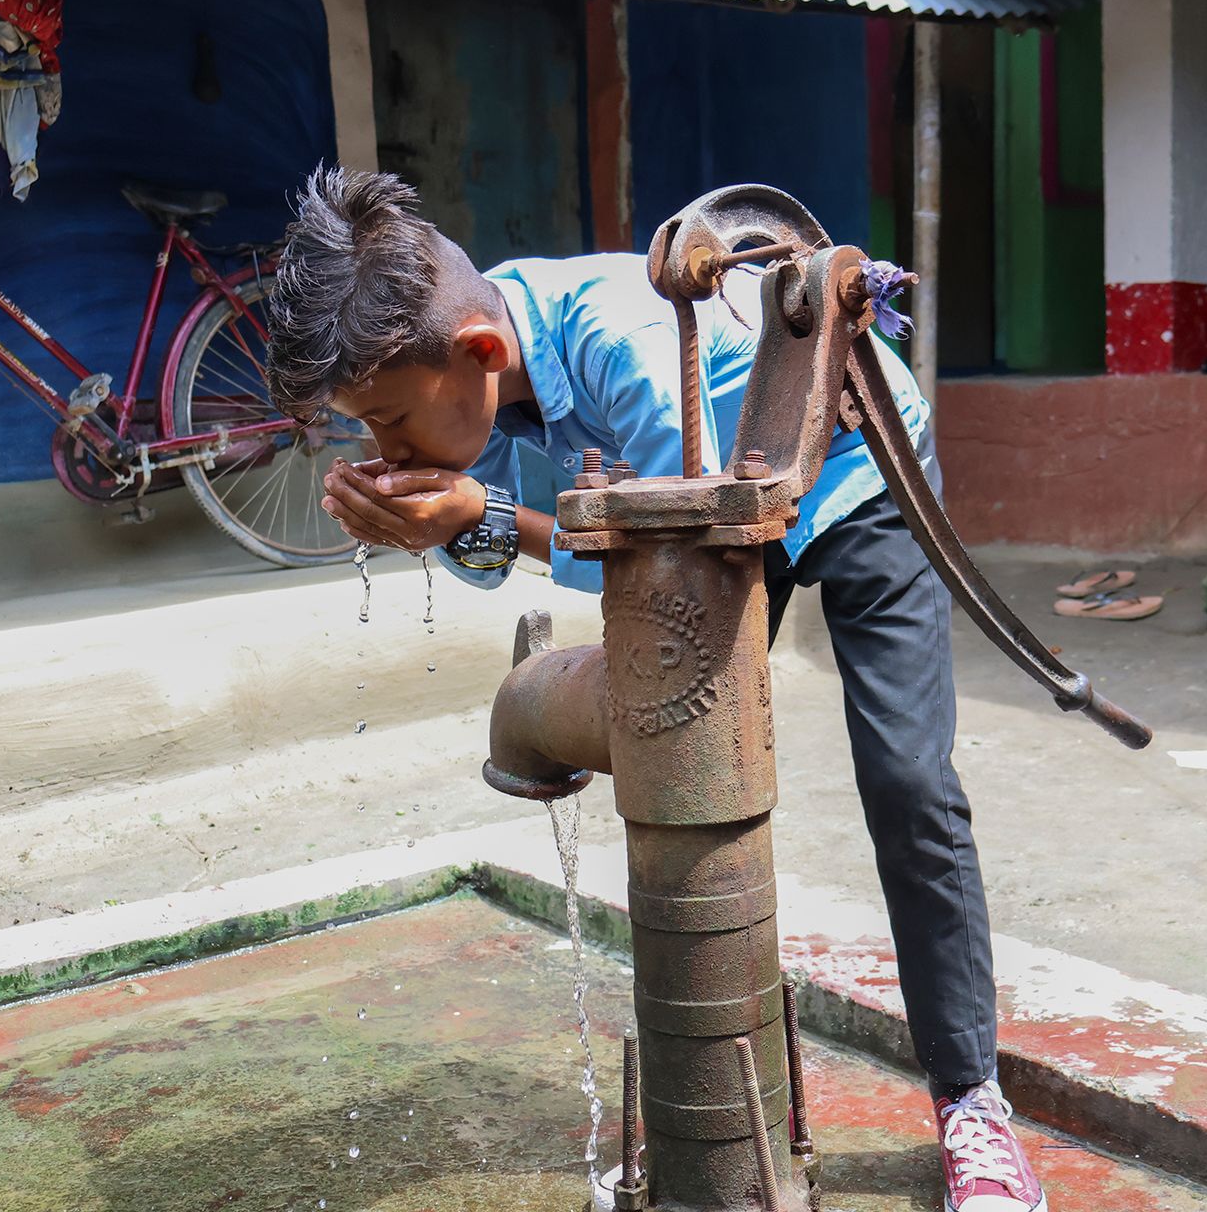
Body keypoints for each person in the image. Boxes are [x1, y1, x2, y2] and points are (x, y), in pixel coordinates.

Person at [263, 167, 1049, 1212]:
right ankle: (729, 1092)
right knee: (678, 746)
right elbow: (579, 545)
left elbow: (649, 570)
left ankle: (972, 1107)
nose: (385, 449)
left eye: (392, 423)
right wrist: (449, 516)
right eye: (369, 431)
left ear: (478, 360)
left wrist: (462, 516)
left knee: (907, 780)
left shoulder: (621, 347)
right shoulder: (470, 340)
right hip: (715, 501)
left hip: (856, 466)